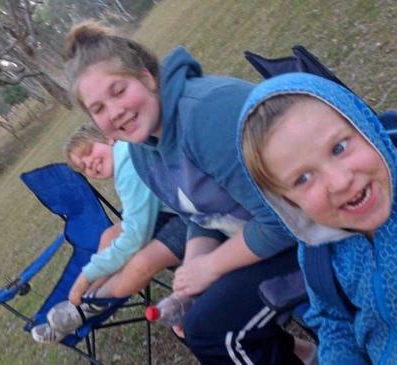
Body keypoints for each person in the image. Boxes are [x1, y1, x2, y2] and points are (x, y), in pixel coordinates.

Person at [63, 21, 310, 364]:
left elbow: (285, 218)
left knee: (213, 330)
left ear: (147, 77)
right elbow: (197, 215)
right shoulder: (142, 149)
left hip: (319, 223)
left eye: (118, 91)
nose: (114, 112)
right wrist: (193, 267)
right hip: (265, 232)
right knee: (195, 321)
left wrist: (210, 266)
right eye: (98, 108)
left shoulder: (205, 116)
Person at [239, 72, 397, 364]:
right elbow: (334, 321)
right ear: (288, 202)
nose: (340, 181)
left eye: (339, 148)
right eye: (303, 178)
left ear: (367, 129)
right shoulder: (318, 252)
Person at [31, 123, 187, 343]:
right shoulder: (124, 156)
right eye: (83, 168)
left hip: (189, 216)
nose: (90, 165)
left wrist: (85, 277)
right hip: (170, 210)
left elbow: (135, 236)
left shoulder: (127, 161)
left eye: (88, 152)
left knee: (140, 263)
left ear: (108, 138)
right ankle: (84, 305)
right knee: (109, 235)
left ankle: (93, 302)